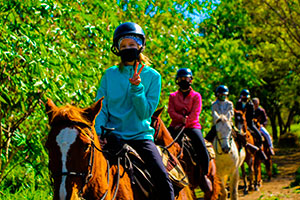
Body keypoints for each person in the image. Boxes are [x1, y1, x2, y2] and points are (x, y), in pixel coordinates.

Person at [95, 22, 174, 200]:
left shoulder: (153, 76)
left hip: (140, 137)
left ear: (140, 46)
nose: (127, 48)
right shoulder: (109, 75)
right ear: (117, 49)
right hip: (112, 138)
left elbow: (144, 113)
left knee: (163, 180)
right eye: (123, 46)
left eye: (131, 45)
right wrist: (100, 133)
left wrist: (137, 88)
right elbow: (101, 107)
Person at [167, 68, 210, 187]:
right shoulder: (173, 96)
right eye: (181, 78)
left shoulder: (196, 96)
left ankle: (204, 174)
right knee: (163, 144)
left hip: (192, 126)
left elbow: (195, 113)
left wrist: (187, 121)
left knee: (201, 147)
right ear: (177, 80)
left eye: (186, 78)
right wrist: (181, 119)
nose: (183, 80)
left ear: (191, 80)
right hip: (176, 126)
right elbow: (170, 111)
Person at [235, 89, 267, 160]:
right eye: (243, 97)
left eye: (246, 97)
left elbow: (251, 115)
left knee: (258, 135)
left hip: (249, 122)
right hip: (240, 122)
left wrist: (246, 120)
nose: (245, 98)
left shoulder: (250, 104)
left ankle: (260, 150)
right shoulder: (238, 103)